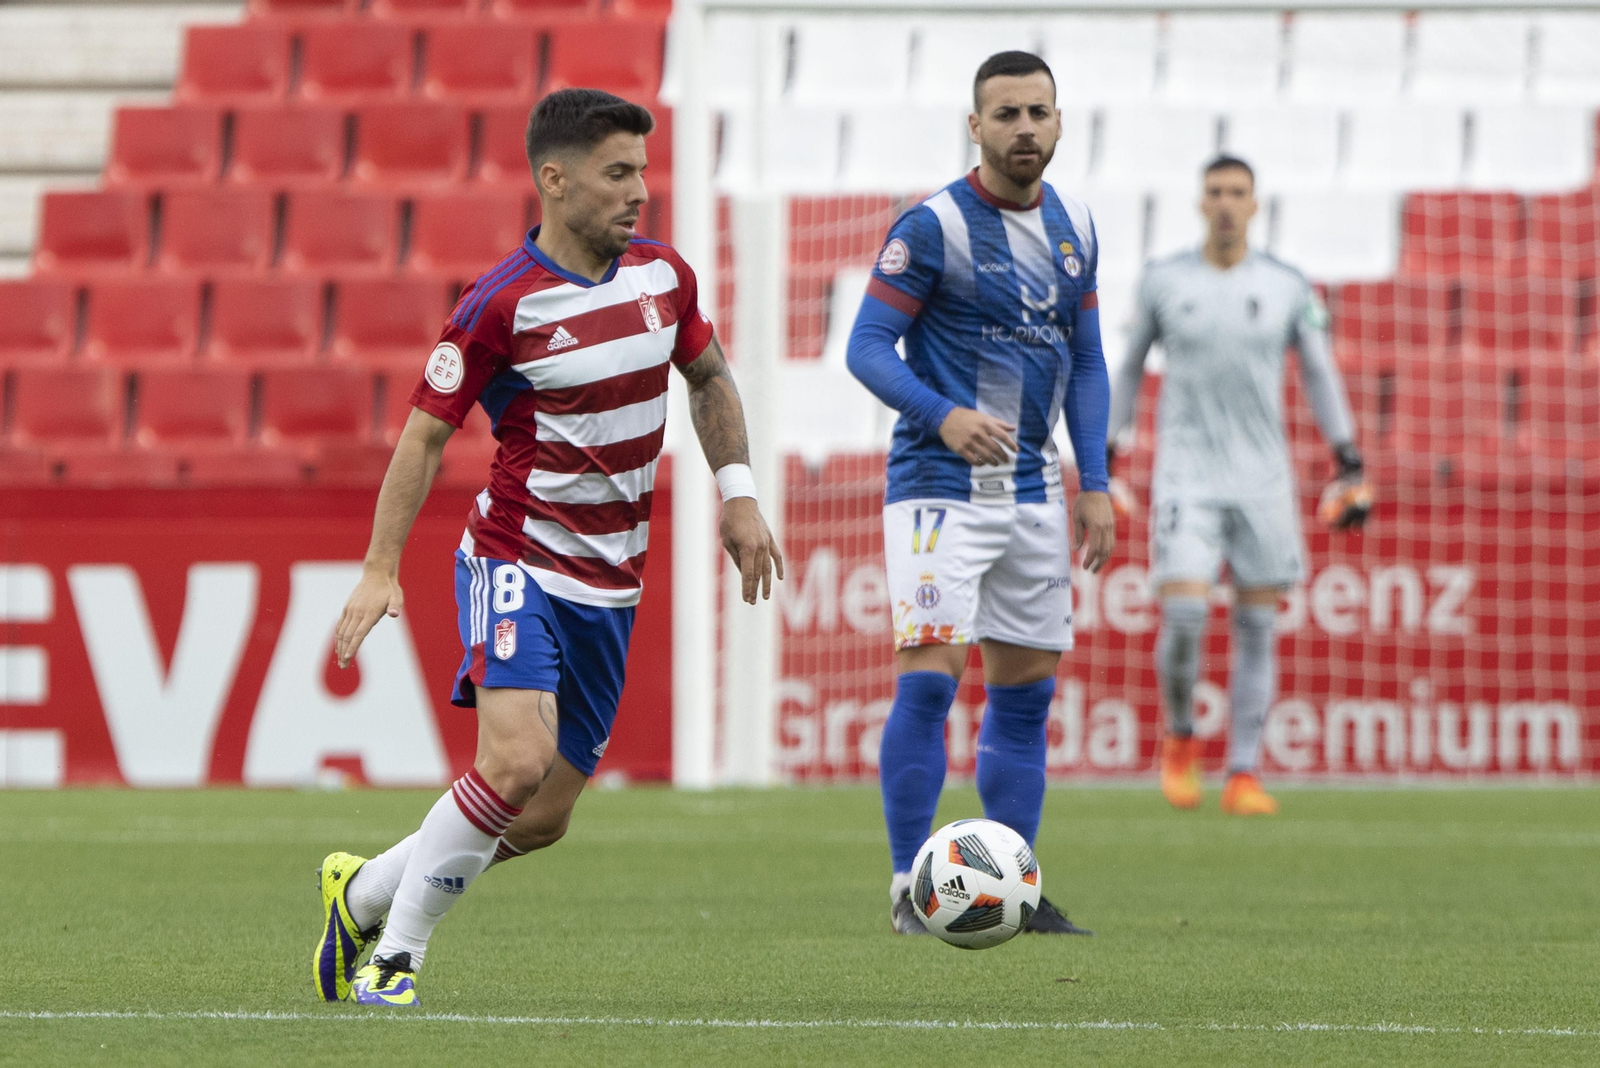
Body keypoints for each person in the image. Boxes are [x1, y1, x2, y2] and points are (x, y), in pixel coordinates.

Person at [310, 88, 784, 1007]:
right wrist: (380, 567)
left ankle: (362, 891)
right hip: (516, 557)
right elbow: (423, 435)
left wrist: (738, 494)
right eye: (617, 173)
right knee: (514, 764)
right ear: (555, 181)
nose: (639, 191)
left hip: (612, 580)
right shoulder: (501, 305)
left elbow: (711, 377)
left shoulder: (665, 277)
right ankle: (395, 957)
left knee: (538, 818)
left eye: (643, 171)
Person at [846, 51, 1115, 937]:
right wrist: (944, 414)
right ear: (977, 126)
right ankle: (904, 888)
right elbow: (868, 347)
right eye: (1006, 114)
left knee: (1026, 692)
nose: (1024, 128)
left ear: (1060, 121)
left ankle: (1011, 889)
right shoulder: (933, 227)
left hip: (1035, 491)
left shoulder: (1076, 221)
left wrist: (1097, 482)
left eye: (1038, 112)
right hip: (938, 489)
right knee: (930, 684)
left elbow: (1087, 361)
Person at [1108, 155, 1370, 817]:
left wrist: (1347, 457)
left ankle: (1244, 773)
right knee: (1186, 613)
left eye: (1238, 193)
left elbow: (1317, 373)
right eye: (1216, 192)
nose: (1226, 203)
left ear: (1255, 205)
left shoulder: (1286, 286)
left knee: (1257, 626)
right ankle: (1179, 740)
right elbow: (1129, 369)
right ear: (1201, 203)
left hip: (1263, 480)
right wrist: (1108, 454)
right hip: (1186, 476)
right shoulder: (1164, 281)